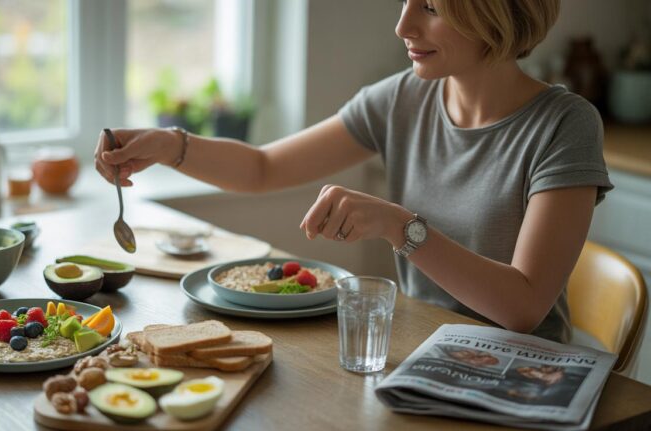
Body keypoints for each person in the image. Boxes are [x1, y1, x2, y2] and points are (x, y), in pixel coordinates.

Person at [94, 0, 612, 343]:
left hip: (522, 375)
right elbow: (263, 167)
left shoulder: (565, 126)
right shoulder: (403, 98)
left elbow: (522, 307)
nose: (403, 26)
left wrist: (397, 226)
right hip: (421, 348)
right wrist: (169, 145)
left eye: (430, 7)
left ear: (495, 14)